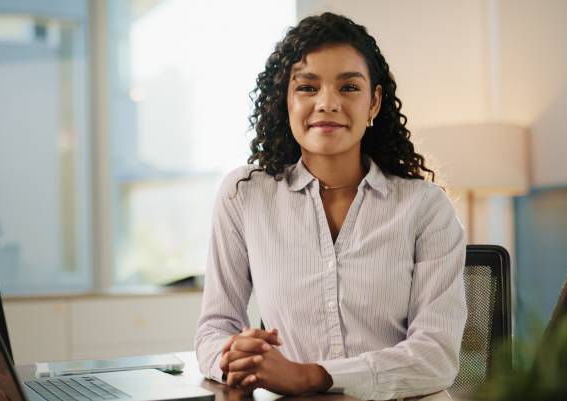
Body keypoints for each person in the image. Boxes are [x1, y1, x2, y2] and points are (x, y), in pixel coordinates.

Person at [194, 12, 466, 401]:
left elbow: (436, 357)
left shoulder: (425, 207)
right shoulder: (245, 196)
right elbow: (213, 329)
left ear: (373, 103)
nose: (327, 103)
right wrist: (232, 357)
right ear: (285, 101)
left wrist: (310, 376)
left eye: (349, 87)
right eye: (307, 87)